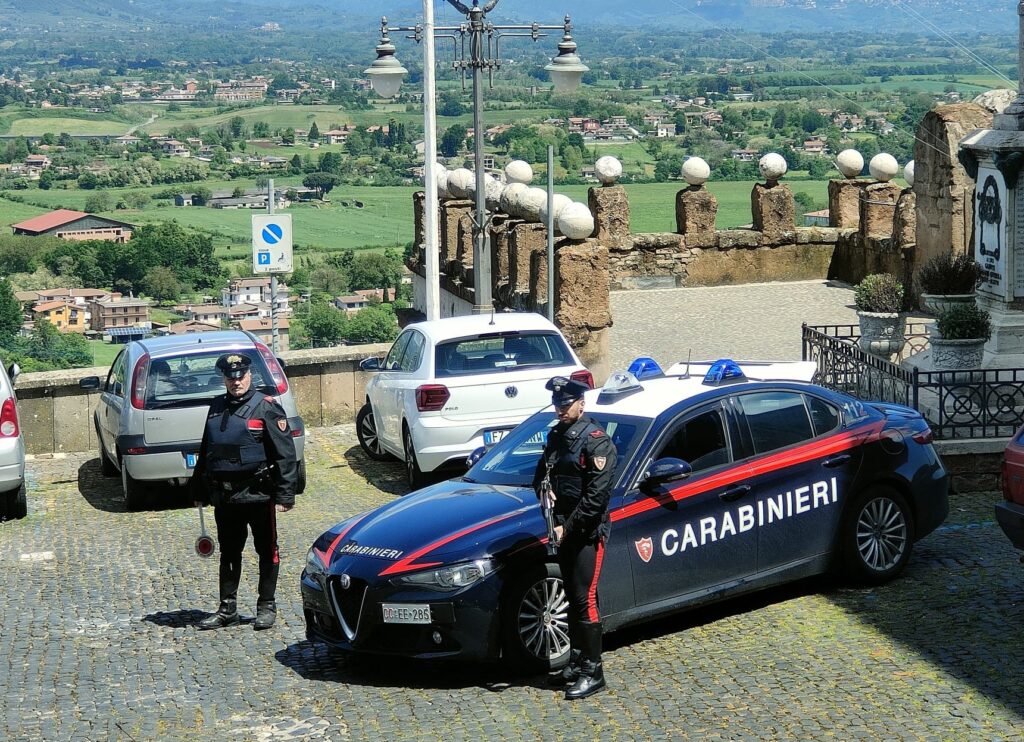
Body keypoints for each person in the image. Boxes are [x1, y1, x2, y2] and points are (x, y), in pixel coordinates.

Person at [192, 352, 298, 631]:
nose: (235, 382)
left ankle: (266, 606)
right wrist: (199, 488)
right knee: (229, 552)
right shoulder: (216, 407)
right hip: (226, 497)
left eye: (240, 376)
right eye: (230, 377)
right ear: (224, 379)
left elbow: (286, 455)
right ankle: (228, 609)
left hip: (259, 495)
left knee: (266, 550)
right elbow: (207, 451)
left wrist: (286, 495)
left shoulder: (266, 407)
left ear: (250, 376)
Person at [533, 376, 616, 700]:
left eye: (566, 404)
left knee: (585, 600)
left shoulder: (596, 442)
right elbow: (541, 473)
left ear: (581, 403)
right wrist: (546, 489)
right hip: (562, 527)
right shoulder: (556, 436)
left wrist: (566, 529)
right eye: (557, 404)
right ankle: (578, 660)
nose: (560, 409)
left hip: (586, 532)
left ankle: (593, 671)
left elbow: (597, 498)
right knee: (571, 595)